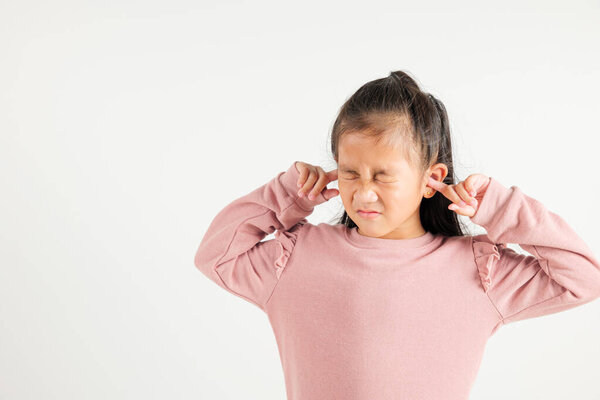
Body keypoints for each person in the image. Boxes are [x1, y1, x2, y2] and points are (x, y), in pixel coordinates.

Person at [193, 70, 600, 400]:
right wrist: (286, 194)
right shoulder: (297, 257)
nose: (363, 192)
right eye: (351, 172)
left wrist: (499, 207)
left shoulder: (478, 270)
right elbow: (215, 255)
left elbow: (583, 277)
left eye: (383, 175)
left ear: (431, 179)